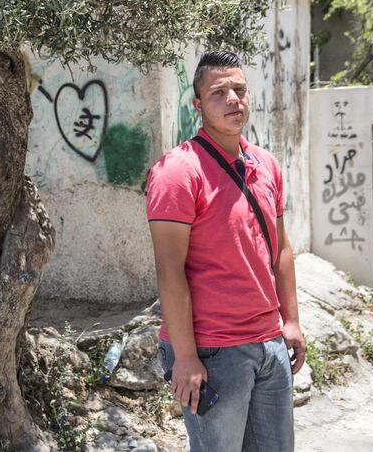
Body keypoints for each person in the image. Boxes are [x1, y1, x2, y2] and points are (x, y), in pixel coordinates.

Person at [145, 51, 305, 451]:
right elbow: (170, 270)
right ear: (197, 106)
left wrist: (293, 321)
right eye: (219, 92)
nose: (233, 99)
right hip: (214, 350)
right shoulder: (178, 172)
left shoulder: (265, 165)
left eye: (239, 89)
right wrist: (184, 356)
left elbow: (281, 250)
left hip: (269, 343)